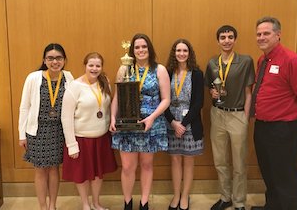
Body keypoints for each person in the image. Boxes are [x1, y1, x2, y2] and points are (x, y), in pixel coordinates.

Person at [251, 17, 297, 210]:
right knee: (270, 172)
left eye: (266, 33)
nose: (261, 37)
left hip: (284, 128)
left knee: (285, 175)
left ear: (278, 35)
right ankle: (273, 206)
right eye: (259, 34)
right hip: (263, 126)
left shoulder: (292, 60)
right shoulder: (263, 59)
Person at [110, 33, 171, 210]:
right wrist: (113, 117)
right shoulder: (124, 69)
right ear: (132, 50)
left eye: (144, 46)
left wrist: (151, 118)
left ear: (149, 48)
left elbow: (166, 99)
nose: (141, 50)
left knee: (146, 164)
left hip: (150, 124)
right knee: (128, 167)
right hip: (127, 124)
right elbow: (117, 97)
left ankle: (144, 203)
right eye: (137, 47)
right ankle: (127, 203)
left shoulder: (159, 70)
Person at [204, 25, 255, 210]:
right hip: (218, 115)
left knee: (239, 162)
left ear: (235, 39)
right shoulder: (212, 63)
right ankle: (225, 197)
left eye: (230, 37)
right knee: (220, 160)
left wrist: (246, 117)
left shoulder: (246, 61)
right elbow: (211, 88)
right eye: (223, 37)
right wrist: (212, 92)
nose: (226, 40)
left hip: (238, 114)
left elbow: (249, 92)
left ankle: (239, 201)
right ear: (218, 40)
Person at [18, 43, 74, 210]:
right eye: (50, 58)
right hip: (37, 130)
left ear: (64, 60)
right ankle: (43, 207)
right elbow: (24, 107)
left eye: (58, 58)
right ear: (44, 60)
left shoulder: (69, 77)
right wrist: (22, 134)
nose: (54, 61)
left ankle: (52, 206)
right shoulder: (33, 78)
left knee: (54, 168)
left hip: (58, 131)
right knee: (41, 170)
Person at [61, 52, 117, 210]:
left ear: (102, 67)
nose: (94, 68)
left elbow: (106, 108)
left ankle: (96, 203)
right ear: (85, 65)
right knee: (82, 175)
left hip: (101, 138)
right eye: (91, 65)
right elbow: (66, 117)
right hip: (81, 139)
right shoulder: (74, 87)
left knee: (99, 174)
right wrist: (71, 144)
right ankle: (85, 204)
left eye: (98, 65)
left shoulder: (104, 82)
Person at [165, 39, 204, 210]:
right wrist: (174, 123)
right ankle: (176, 195)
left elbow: (198, 102)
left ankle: (185, 196)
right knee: (174, 160)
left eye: (185, 51)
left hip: (190, 123)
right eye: (178, 50)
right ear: (174, 53)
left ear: (189, 53)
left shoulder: (196, 73)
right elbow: (163, 101)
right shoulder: (167, 73)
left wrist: (183, 123)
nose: (181, 54)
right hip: (171, 122)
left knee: (188, 161)